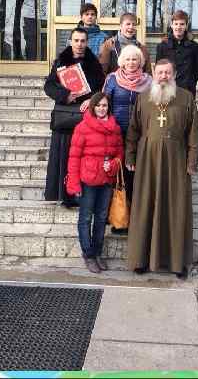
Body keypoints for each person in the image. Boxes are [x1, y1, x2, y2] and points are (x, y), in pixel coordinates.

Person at [125, 59, 198, 279]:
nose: (163, 76)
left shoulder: (186, 98)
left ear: (174, 74)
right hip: (147, 161)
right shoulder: (143, 98)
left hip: (176, 161)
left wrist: (192, 161)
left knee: (176, 208)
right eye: (160, 72)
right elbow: (133, 130)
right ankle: (141, 260)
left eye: (168, 72)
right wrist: (130, 155)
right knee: (145, 206)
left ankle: (178, 263)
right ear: (154, 73)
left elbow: (193, 133)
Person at [44, 27, 105, 208]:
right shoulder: (60, 61)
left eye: (82, 41)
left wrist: (91, 100)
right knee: (64, 157)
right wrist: (65, 95)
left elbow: (101, 87)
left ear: (87, 42)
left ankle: (83, 195)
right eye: (76, 40)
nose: (79, 44)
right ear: (70, 41)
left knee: (85, 158)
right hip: (64, 118)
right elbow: (49, 86)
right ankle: (65, 195)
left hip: (84, 118)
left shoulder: (94, 63)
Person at [65, 92, 124, 274]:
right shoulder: (82, 127)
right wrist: (74, 183)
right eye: (98, 105)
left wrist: (113, 164)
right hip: (88, 179)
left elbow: (119, 153)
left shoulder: (115, 128)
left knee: (101, 217)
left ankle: (97, 253)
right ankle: (88, 254)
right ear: (92, 107)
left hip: (106, 179)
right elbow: (74, 157)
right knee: (85, 218)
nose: (101, 108)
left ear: (108, 107)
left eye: (104, 105)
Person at [103, 44, 152, 234]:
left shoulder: (149, 81)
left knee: (133, 176)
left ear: (141, 62)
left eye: (135, 59)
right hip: (116, 134)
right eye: (128, 59)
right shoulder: (112, 79)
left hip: (139, 137)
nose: (131, 62)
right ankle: (115, 217)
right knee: (116, 175)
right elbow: (104, 105)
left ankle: (132, 218)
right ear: (122, 61)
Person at [155, 10, 198, 97]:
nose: (178, 27)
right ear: (171, 25)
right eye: (176, 24)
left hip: (187, 90)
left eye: (182, 24)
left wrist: (190, 82)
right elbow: (159, 69)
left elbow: (197, 71)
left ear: (186, 26)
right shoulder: (162, 46)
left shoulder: (194, 47)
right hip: (167, 89)